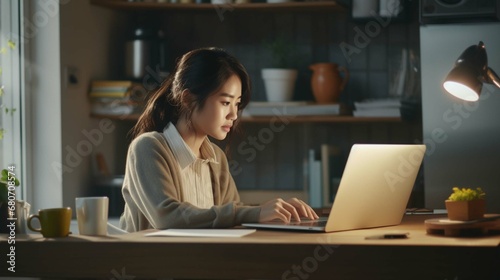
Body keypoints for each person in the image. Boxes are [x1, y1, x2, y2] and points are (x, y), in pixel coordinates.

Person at [119, 47, 318, 232]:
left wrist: (281, 213)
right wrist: (255, 212)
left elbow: (233, 220)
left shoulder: (216, 158)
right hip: (149, 266)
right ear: (187, 99)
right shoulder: (148, 147)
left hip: (197, 264)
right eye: (225, 102)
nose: (233, 114)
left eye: (237, 104)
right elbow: (168, 218)